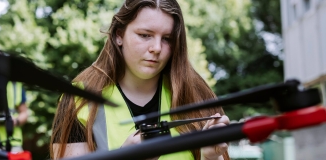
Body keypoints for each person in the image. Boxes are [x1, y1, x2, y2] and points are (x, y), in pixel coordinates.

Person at [50, 0, 230, 160]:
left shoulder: (198, 95)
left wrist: (210, 158)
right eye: (145, 35)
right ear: (119, 35)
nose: (157, 48)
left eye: (167, 39)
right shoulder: (77, 99)